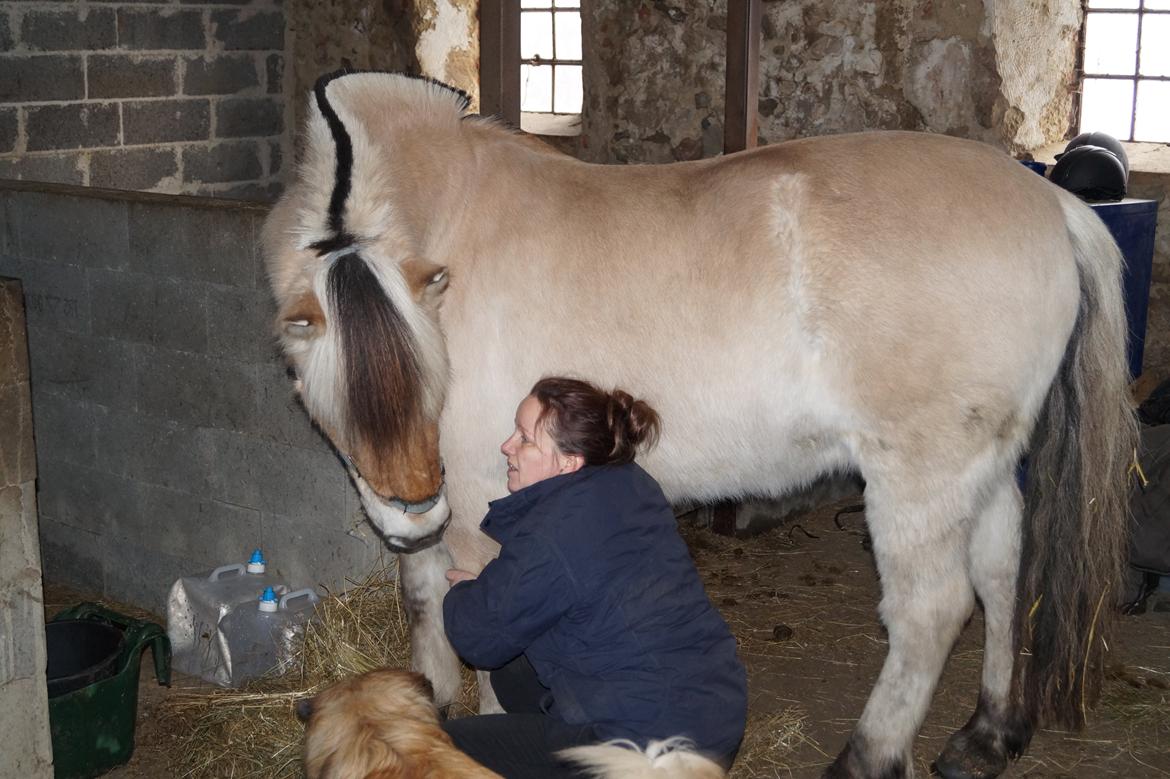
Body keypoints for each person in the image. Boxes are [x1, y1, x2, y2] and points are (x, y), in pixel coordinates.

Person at [441, 376, 747, 778]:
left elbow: (478, 637)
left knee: (430, 750)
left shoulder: (551, 532)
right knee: (514, 672)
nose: (506, 446)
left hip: (643, 752)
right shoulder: (629, 482)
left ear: (569, 461)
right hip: (712, 719)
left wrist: (463, 593)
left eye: (525, 438)